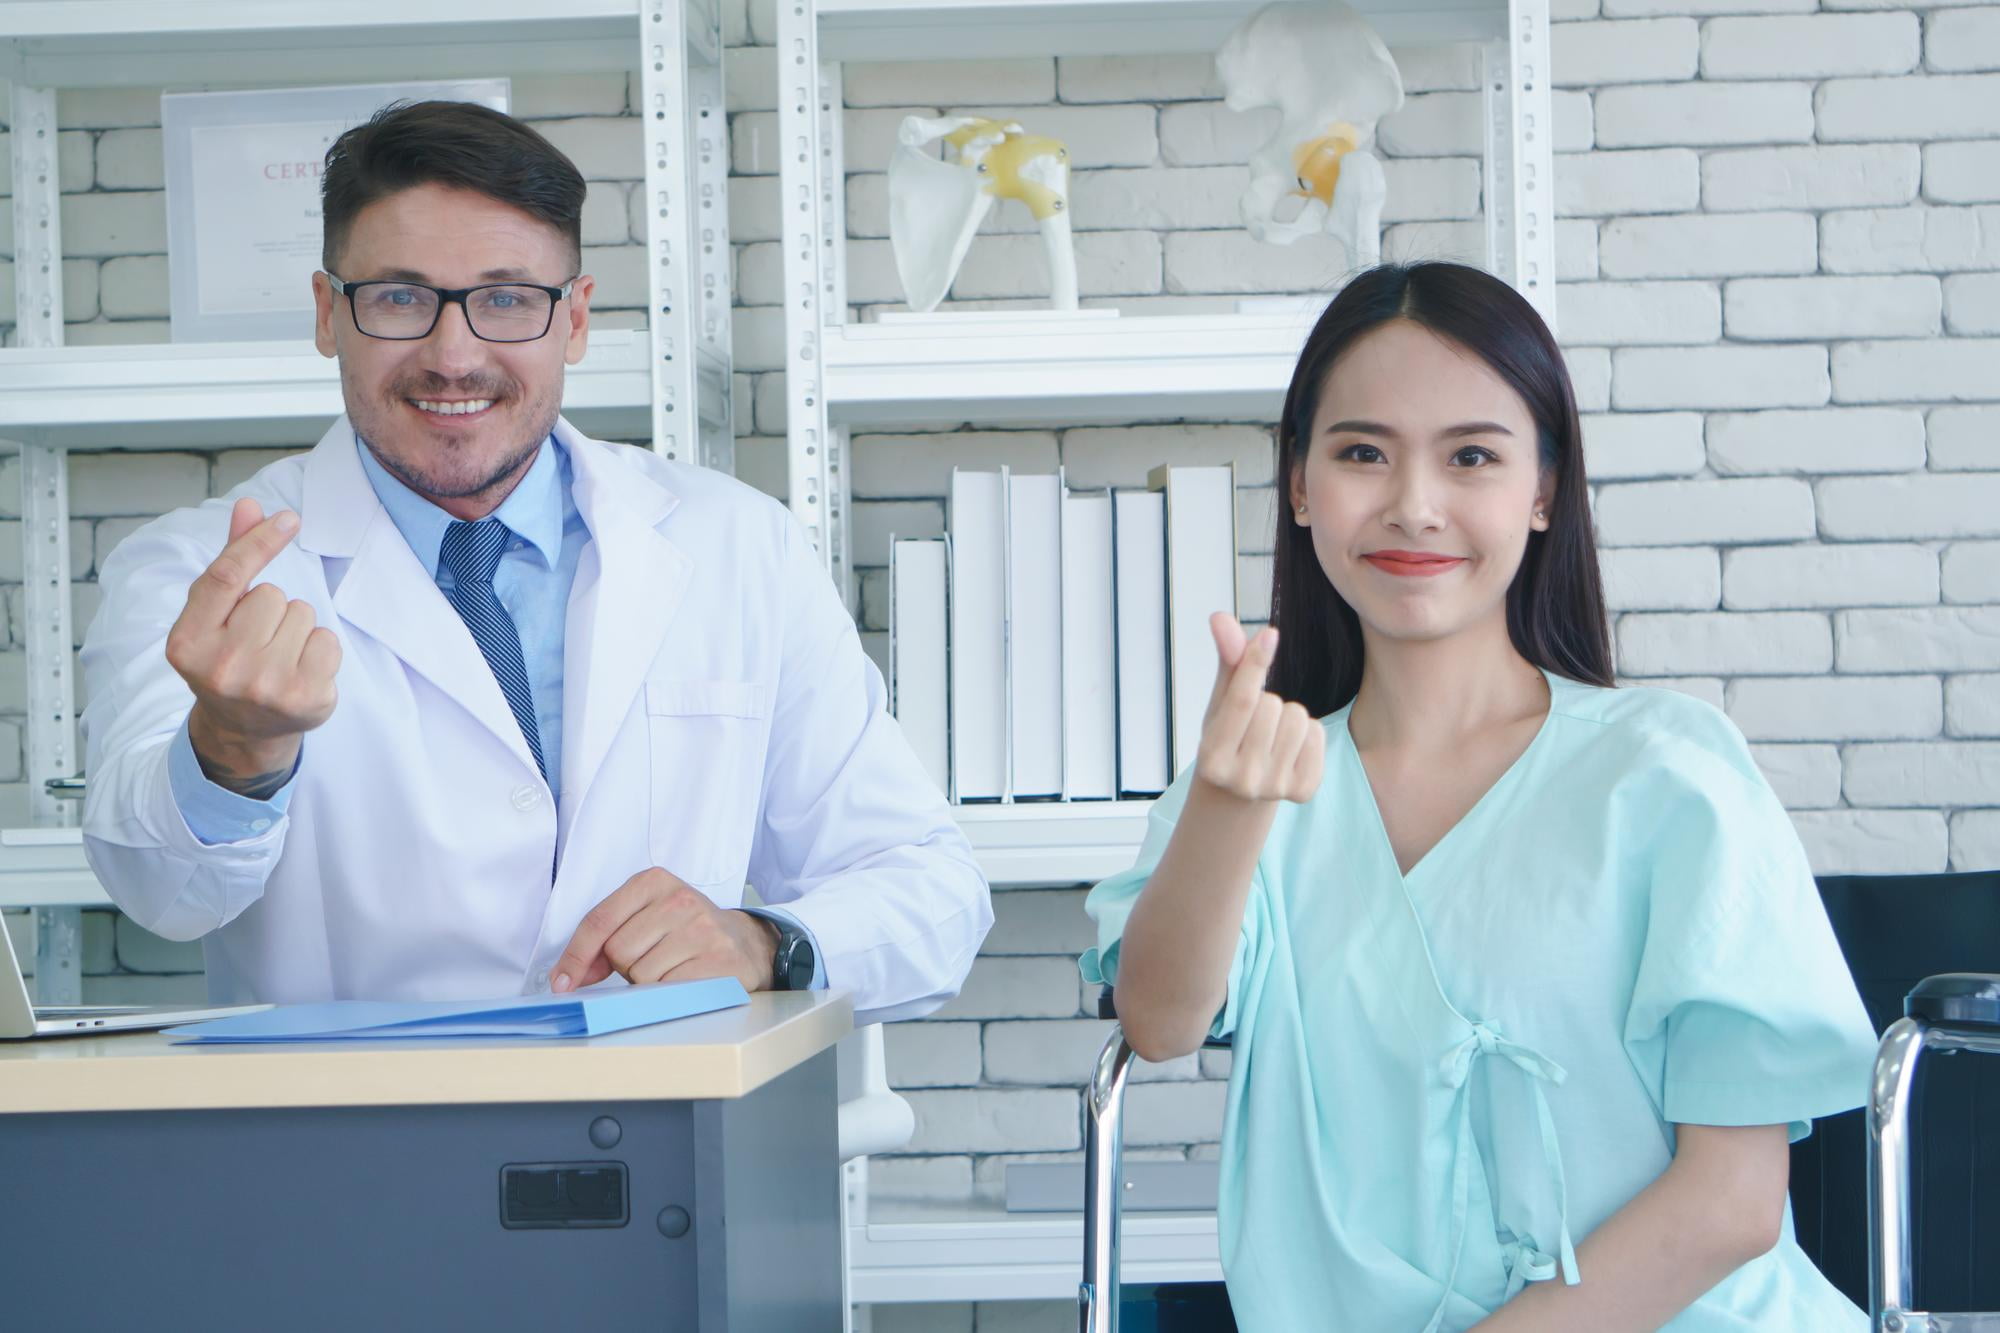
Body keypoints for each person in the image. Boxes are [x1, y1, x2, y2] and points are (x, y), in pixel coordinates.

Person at [1081, 261, 1877, 1330]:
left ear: (1540, 490)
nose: (1413, 506)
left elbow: (1731, 1201)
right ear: (1300, 484)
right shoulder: (1248, 781)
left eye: (1469, 457)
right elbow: (1160, 1021)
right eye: (1361, 452)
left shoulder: (1666, 773)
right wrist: (1227, 808)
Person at [80, 100, 990, 1021]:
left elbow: (933, 894)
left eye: (507, 298)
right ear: (328, 313)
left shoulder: (738, 546)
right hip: (351, 1139)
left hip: (666, 1133)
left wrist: (766, 941)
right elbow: (162, 893)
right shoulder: (200, 569)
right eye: (399, 296)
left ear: (576, 319)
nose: (454, 354)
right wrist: (235, 749)